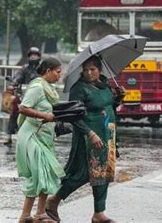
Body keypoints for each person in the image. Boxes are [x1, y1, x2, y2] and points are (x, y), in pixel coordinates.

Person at [45, 56, 124, 223]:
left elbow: (108, 106)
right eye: (86, 70)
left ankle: (99, 213)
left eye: (92, 69)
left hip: (107, 134)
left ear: (100, 70)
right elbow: (75, 115)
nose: (89, 73)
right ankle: (54, 199)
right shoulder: (79, 88)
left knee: (104, 173)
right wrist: (90, 133)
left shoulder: (105, 85)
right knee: (83, 174)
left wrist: (118, 98)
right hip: (88, 137)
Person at [16, 58, 65, 223]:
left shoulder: (49, 89)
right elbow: (23, 108)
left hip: (44, 137)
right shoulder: (37, 87)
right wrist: (44, 115)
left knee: (47, 173)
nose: (60, 75)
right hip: (32, 136)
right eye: (58, 72)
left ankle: (39, 213)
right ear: (48, 71)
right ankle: (26, 215)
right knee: (38, 175)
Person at [5, 47, 42, 145]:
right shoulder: (25, 68)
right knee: (14, 112)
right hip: (24, 95)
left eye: (36, 55)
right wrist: (13, 83)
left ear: (39, 56)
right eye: (32, 55)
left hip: (38, 95)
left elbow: (46, 79)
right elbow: (18, 77)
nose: (33, 57)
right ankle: (9, 136)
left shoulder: (42, 69)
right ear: (28, 56)